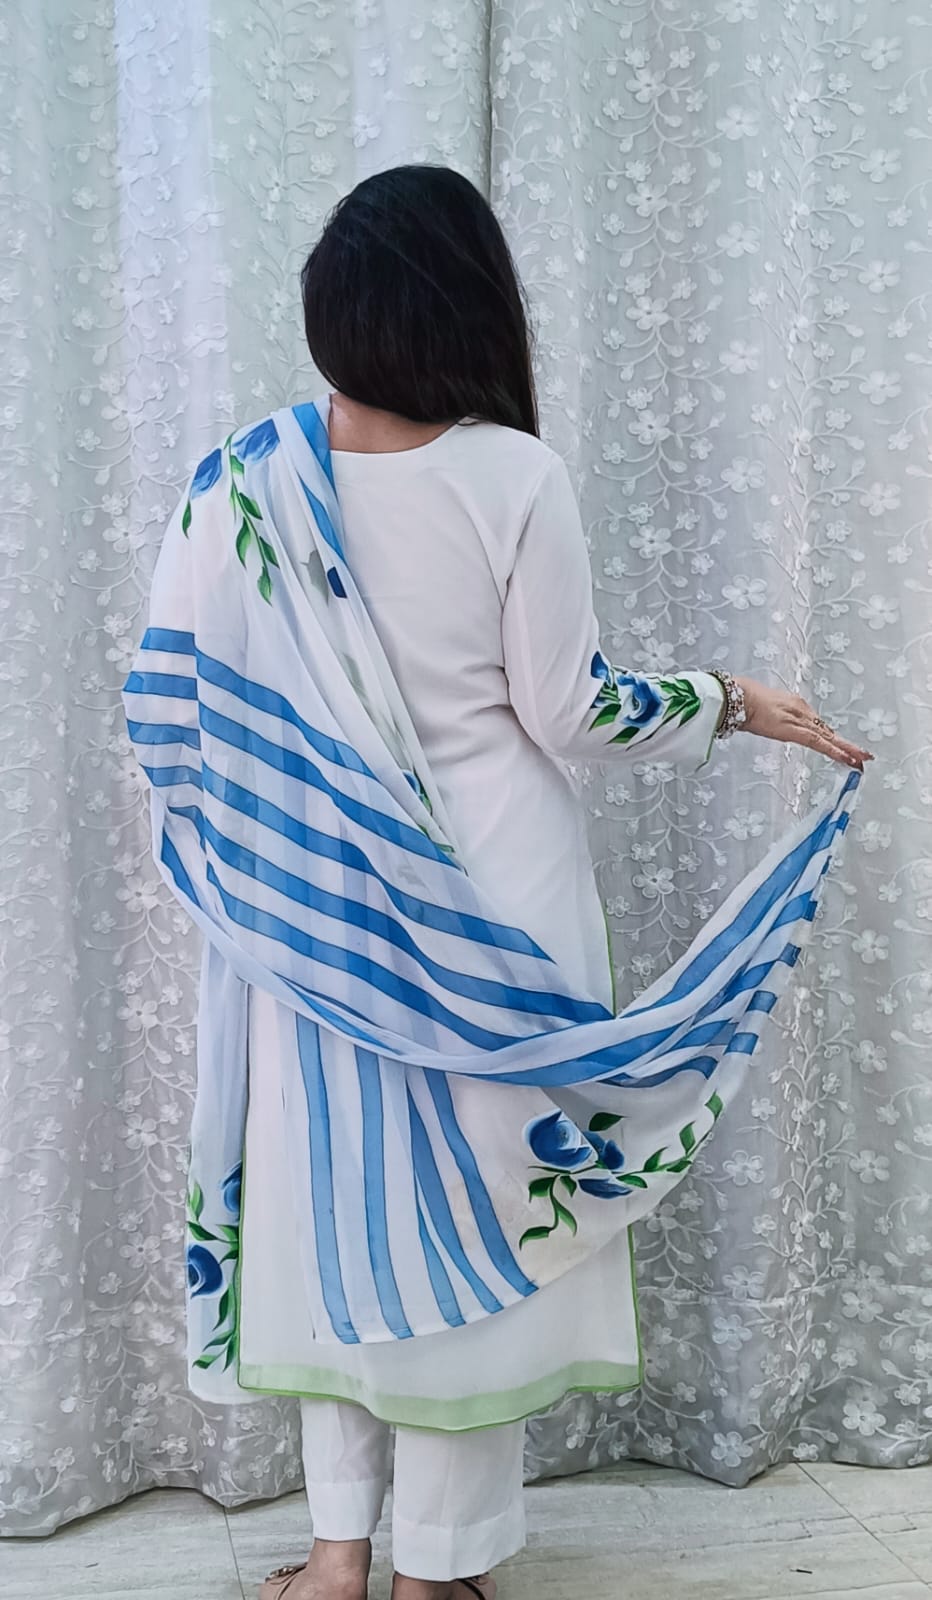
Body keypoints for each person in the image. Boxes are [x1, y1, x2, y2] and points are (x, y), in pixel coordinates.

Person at [124, 166, 870, 1600]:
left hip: (317, 916)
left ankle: (338, 1559)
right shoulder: (512, 475)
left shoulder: (242, 486)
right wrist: (729, 700)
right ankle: (437, 1570)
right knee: (484, 1213)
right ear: (472, 308)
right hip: (498, 908)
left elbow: (167, 713)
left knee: (334, 1214)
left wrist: (284, 847)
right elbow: (571, 711)